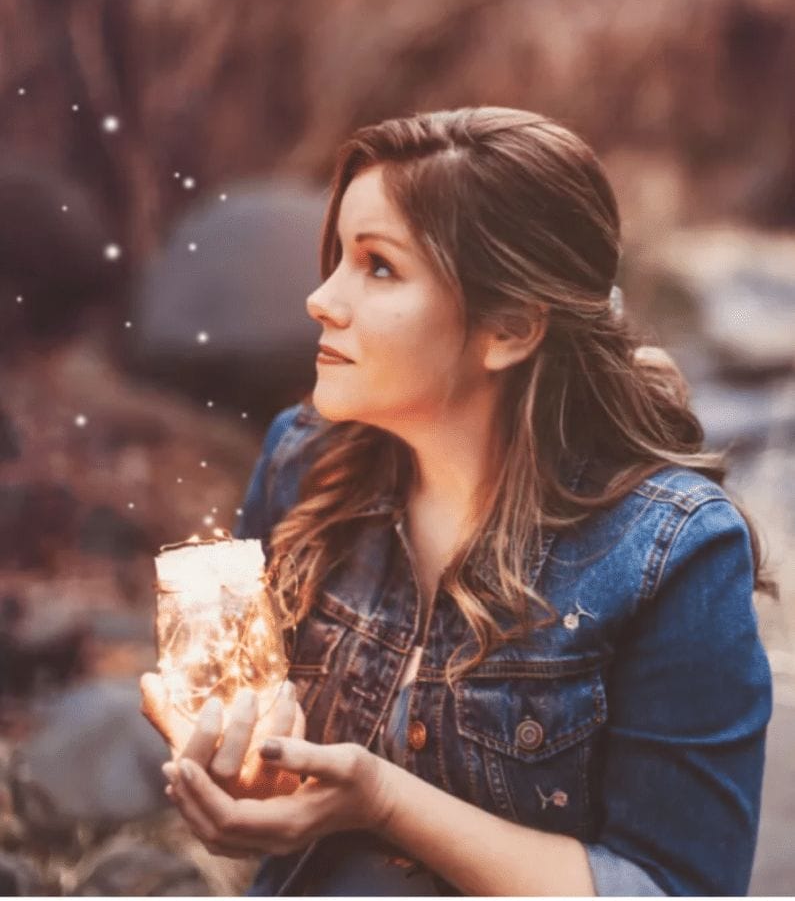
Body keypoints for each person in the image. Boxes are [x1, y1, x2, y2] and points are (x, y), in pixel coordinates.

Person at [141, 107, 775, 896]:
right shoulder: (301, 461)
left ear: (509, 327)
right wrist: (249, 774)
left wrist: (380, 801)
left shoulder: (672, 553)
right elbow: (264, 758)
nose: (319, 299)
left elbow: (676, 888)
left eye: (378, 267)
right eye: (337, 256)